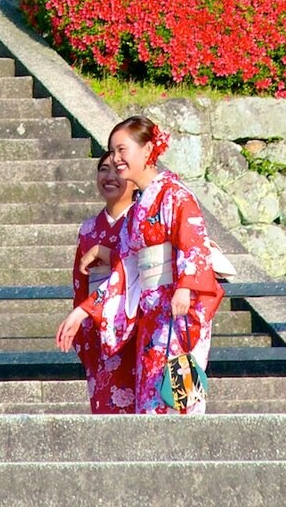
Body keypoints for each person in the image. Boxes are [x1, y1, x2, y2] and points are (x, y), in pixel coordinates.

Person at [54, 116, 223, 414]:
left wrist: (185, 287)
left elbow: (193, 241)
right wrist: (83, 309)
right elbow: (126, 267)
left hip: (177, 312)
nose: (117, 159)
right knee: (150, 401)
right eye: (112, 152)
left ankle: (188, 458)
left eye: (122, 150)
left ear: (147, 151)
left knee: (179, 400)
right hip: (150, 313)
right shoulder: (140, 208)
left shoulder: (175, 195)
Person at [69, 155, 138, 413]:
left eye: (118, 170)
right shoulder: (88, 229)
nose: (109, 177)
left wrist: (105, 252)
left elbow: (139, 266)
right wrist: (83, 325)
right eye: (103, 170)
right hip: (97, 326)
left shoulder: (140, 221)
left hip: (134, 322)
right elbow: (81, 283)